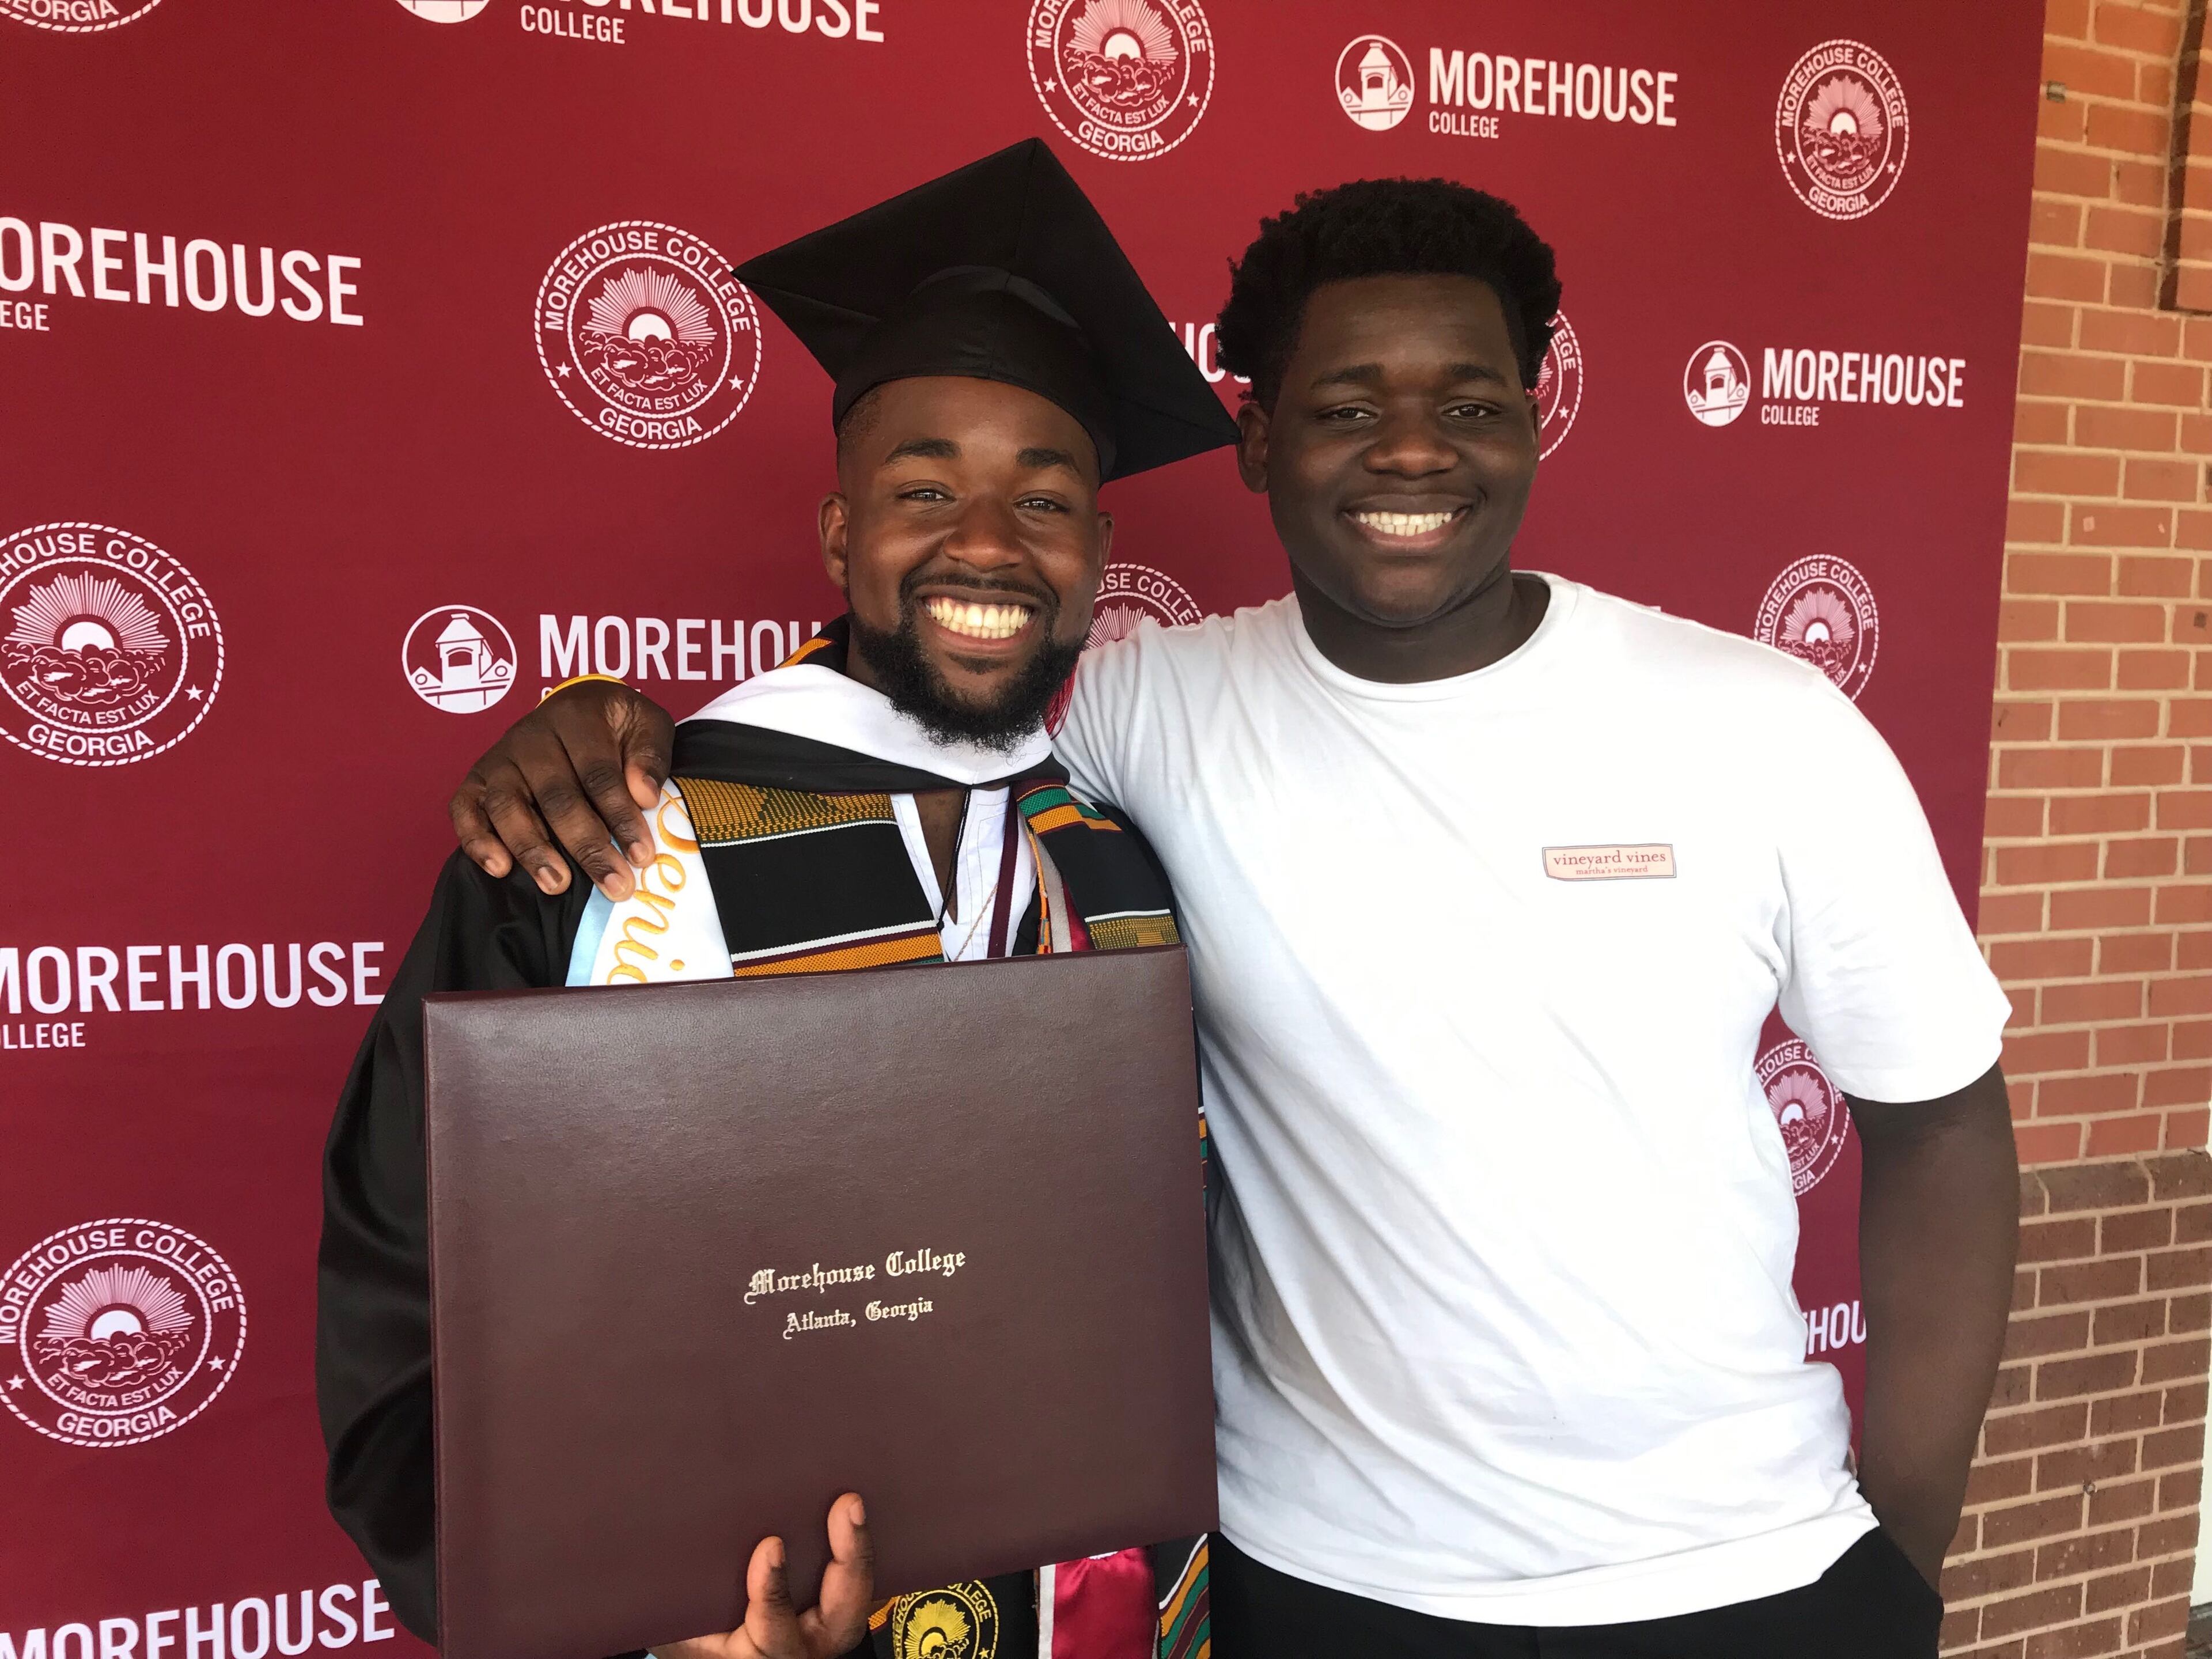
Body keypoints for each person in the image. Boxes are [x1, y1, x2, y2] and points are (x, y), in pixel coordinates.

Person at [441, 176, 2019, 1658]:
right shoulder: (1149, 710)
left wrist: (1906, 1563)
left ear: (1534, 424)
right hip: (1303, 1582)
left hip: (1738, 1570)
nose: (1413, 453)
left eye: (1471, 404)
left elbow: (1943, 1128)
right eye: (1345, 408)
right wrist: (608, 726)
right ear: (1257, 444)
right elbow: (905, 712)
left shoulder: (1764, 724)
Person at [316, 139, 1234, 1659]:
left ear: (1096, 555)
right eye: (924, 486)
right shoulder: (607, 844)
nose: (986, 545)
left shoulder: (1126, 854)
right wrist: (641, 1616)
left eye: (1043, 500)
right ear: (838, 534)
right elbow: (410, 1309)